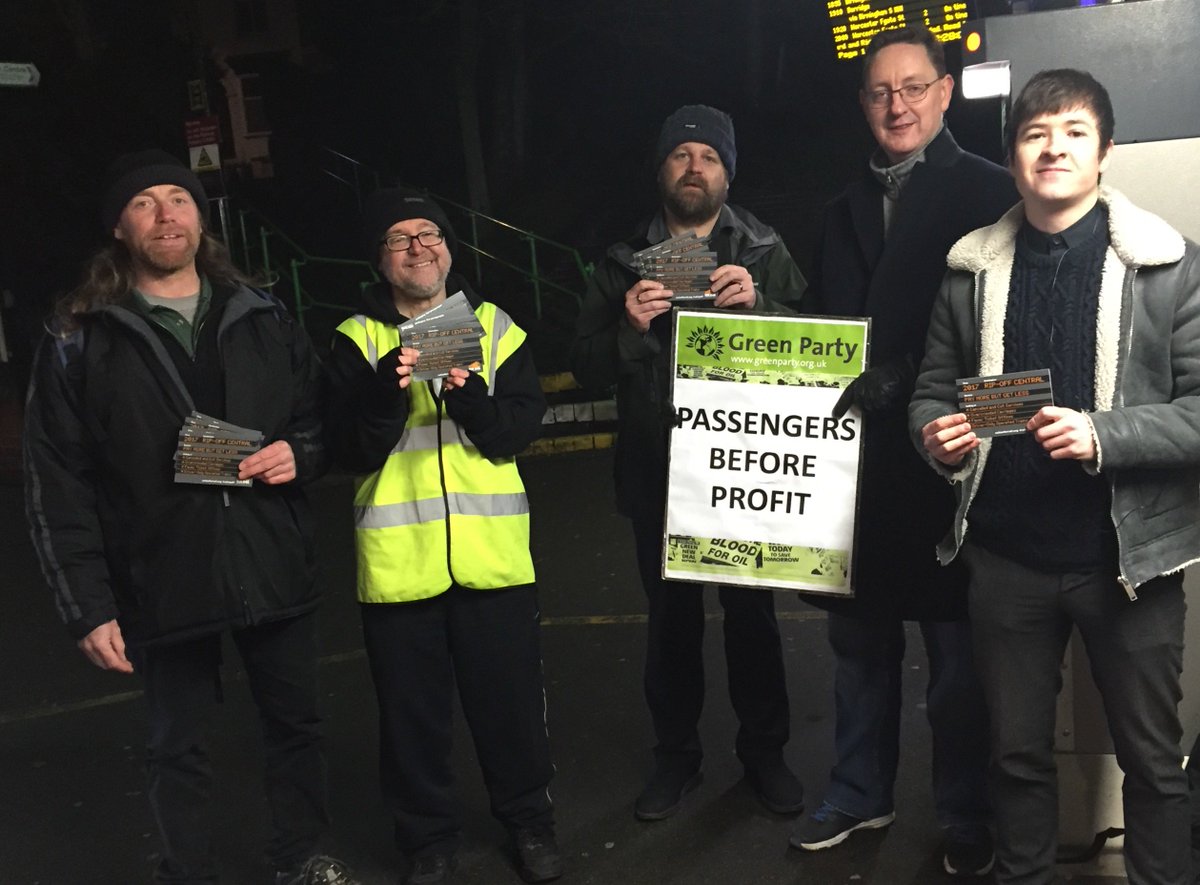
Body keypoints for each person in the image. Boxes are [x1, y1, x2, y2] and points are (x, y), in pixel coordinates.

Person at [23, 150, 356, 885]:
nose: (166, 213)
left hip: (270, 553)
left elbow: (317, 418)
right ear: (119, 227)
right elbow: (57, 480)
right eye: (145, 202)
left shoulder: (262, 312)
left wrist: (298, 452)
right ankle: (189, 872)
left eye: (179, 198)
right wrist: (86, 605)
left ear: (201, 219)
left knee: (295, 726)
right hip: (160, 570)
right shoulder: (81, 338)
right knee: (178, 745)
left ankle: (303, 856)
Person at [912, 68, 1200, 884]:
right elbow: (935, 389)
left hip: (1130, 562)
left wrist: (1104, 435)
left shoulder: (1171, 267)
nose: (1053, 148)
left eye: (1074, 131)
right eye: (1035, 133)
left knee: (1152, 764)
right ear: (1012, 158)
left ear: (1105, 151)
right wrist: (937, 437)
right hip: (1005, 561)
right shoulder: (969, 270)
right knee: (1015, 758)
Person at [790, 25, 1016, 877]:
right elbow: (821, 322)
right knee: (858, 650)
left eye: (914, 87)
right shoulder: (841, 207)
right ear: (863, 104)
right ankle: (858, 790)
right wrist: (758, 313)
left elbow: (1012, 338)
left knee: (957, 664)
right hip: (854, 475)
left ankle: (964, 812)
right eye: (882, 92)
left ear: (945, 91)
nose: (899, 105)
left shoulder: (992, 193)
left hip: (950, 467)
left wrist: (914, 376)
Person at [571, 104, 807, 821]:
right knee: (670, 625)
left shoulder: (765, 251)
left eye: (708, 155)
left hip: (741, 473)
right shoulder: (620, 263)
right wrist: (629, 329)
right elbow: (582, 368)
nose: (694, 166)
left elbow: (820, 351)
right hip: (657, 475)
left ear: (728, 172)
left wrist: (763, 306)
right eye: (681, 155)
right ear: (661, 169)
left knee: (752, 620)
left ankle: (765, 755)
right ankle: (676, 760)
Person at [324, 188, 559, 885]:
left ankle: (530, 824)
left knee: (510, 707)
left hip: (494, 560)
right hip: (400, 565)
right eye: (400, 238)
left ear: (450, 249)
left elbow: (518, 430)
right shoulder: (354, 338)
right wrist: (382, 396)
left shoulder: (495, 326)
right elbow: (347, 449)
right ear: (380, 260)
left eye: (429, 234)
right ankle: (426, 838)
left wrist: (472, 399)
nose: (418, 247)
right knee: (410, 717)